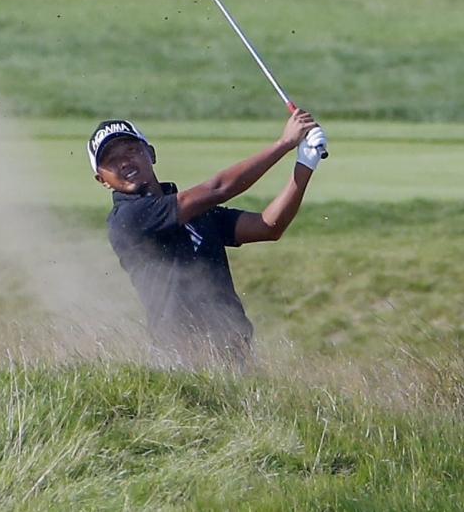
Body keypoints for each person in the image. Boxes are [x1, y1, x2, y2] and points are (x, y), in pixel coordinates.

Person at [87, 111, 327, 367]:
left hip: (234, 352)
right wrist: (284, 144)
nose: (123, 162)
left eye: (131, 150)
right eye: (111, 160)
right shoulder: (128, 218)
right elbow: (219, 189)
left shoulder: (194, 211)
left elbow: (267, 226)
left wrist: (305, 163)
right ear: (102, 180)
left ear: (151, 153)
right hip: (178, 359)